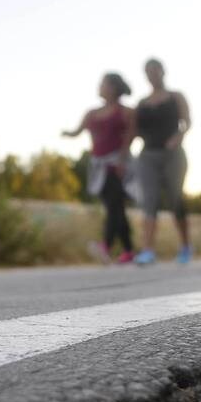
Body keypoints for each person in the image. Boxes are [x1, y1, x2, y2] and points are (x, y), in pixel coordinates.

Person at [64, 73, 137, 264]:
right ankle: (129, 250)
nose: (100, 87)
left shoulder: (126, 112)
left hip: (116, 164)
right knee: (115, 207)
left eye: (103, 84)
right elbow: (77, 131)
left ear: (113, 88)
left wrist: (122, 160)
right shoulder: (92, 113)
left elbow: (130, 137)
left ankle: (106, 245)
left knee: (114, 204)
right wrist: (66, 133)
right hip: (98, 165)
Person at [133, 58, 192, 265]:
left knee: (175, 198)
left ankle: (185, 246)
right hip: (148, 155)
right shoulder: (141, 103)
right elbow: (134, 130)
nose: (152, 74)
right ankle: (148, 250)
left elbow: (187, 122)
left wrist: (178, 137)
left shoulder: (175, 97)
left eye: (155, 70)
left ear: (162, 71)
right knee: (149, 200)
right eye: (147, 71)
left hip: (172, 155)